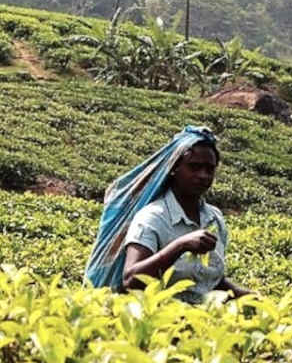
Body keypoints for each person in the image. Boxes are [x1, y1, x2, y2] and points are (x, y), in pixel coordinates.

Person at [84, 126, 251, 303]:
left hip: (205, 321)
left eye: (209, 169)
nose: (203, 175)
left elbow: (210, 281)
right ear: (174, 169)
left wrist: (249, 297)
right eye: (194, 167)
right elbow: (130, 280)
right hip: (160, 319)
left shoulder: (214, 219)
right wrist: (180, 246)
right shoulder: (152, 218)